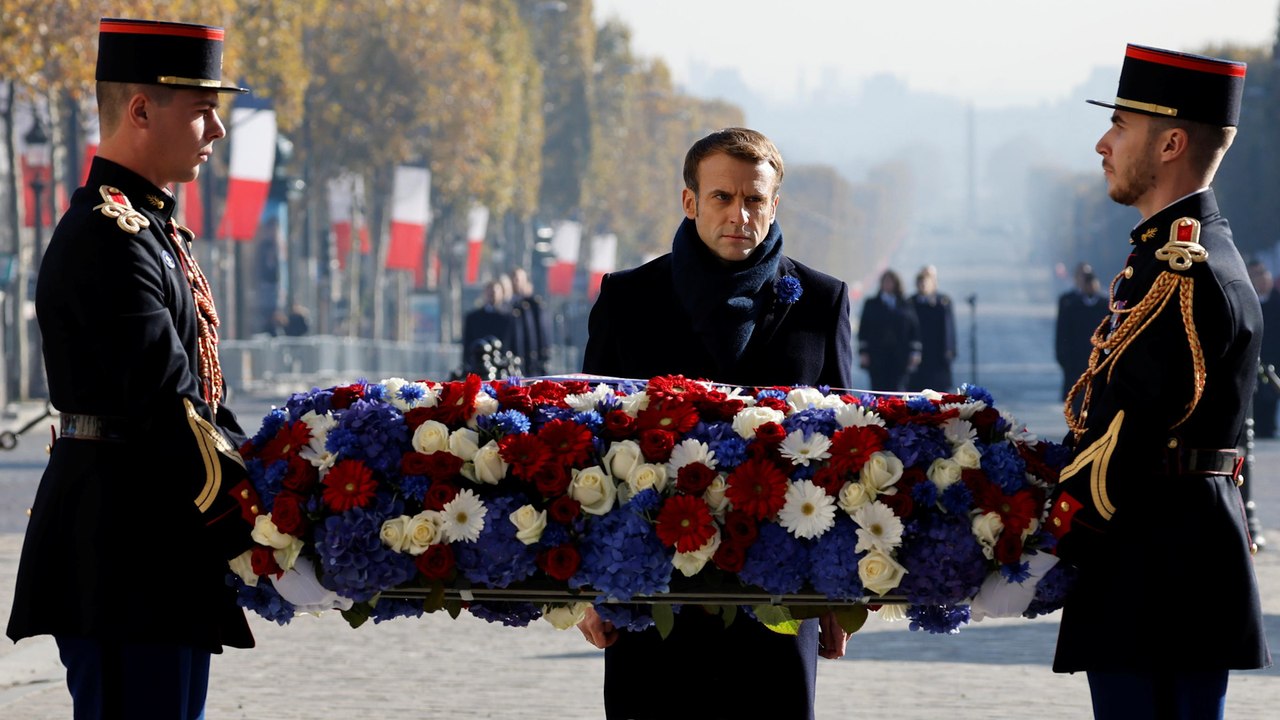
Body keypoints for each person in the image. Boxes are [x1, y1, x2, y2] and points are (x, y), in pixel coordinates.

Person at [973, 43, 1271, 719]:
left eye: (1120, 127)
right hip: (1173, 554)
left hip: (1153, 561)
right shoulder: (1171, 260)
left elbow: (1125, 436)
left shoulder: (1183, 274)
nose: (1102, 143)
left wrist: (1049, 544)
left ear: (1170, 143)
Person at [4, 17, 278, 719]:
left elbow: (200, 397)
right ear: (140, 111)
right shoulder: (109, 237)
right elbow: (168, 405)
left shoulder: (148, 229)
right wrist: (269, 511)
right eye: (202, 110)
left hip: (153, 547)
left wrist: (283, 465)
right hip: (122, 558)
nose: (216, 130)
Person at [577, 127, 852, 720]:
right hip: (648, 591)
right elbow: (589, 447)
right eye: (722, 197)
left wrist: (837, 593)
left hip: (781, 595)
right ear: (690, 202)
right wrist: (587, 589)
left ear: (774, 205)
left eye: (755, 199)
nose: (739, 214)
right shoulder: (627, 299)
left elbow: (844, 454)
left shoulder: (822, 303)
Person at [1055, 262, 1110, 408]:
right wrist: (1065, 361)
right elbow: (1062, 335)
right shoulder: (1069, 303)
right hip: (1075, 365)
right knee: (1077, 408)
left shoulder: (1105, 305)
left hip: (1098, 364)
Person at [857, 268, 920, 391]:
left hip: (900, 358)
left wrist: (915, 352)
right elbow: (863, 329)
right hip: (877, 357)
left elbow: (914, 330)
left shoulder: (906, 304)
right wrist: (863, 352)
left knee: (898, 391)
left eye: (891, 282)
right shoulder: (871, 303)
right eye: (885, 281)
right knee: (878, 392)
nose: (888, 284)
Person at [907, 264, 957, 391]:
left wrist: (949, 351)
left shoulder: (943, 302)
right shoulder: (911, 302)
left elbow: (949, 329)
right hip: (918, 354)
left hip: (937, 354)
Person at [461, 278, 517, 376]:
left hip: (502, 369)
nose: (492, 295)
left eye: (495, 292)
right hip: (478, 369)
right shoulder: (473, 318)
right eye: (489, 292)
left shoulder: (508, 318)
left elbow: (514, 344)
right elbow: (467, 345)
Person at [507, 266, 549, 376]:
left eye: (518, 279)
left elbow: (541, 331)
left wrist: (542, 356)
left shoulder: (533, 305)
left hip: (529, 358)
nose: (515, 283)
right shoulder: (506, 304)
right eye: (512, 279)